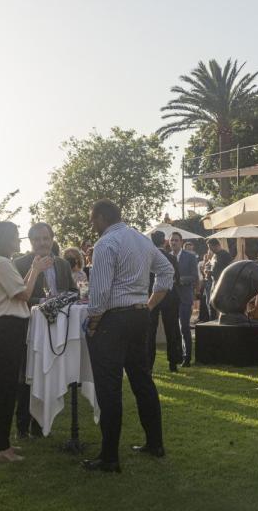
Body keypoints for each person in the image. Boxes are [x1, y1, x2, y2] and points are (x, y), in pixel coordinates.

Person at [82, 199, 173, 473]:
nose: (91, 225)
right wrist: (149, 304)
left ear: (100, 217)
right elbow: (166, 271)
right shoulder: (142, 240)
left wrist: (94, 323)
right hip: (138, 316)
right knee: (142, 380)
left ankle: (109, 457)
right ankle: (155, 443)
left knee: (109, 388)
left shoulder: (106, 244)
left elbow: (98, 293)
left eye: (92, 219)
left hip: (114, 319)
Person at [0, 221, 45, 463]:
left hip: (6, 328)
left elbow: (20, 288)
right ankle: (1, 446)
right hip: (7, 328)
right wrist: (37, 271)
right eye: (15, 236)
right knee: (5, 387)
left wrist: (33, 268)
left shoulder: (0, 263)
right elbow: (24, 295)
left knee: (1, 385)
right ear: (5, 239)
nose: (18, 241)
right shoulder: (0, 262)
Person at [13, 222, 77, 440]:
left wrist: (63, 300)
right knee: (26, 375)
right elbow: (18, 296)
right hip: (28, 328)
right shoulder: (20, 263)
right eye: (37, 239)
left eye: (46, 238)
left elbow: (72, 291)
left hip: (56, 329)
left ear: (52, 239)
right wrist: (44, 301)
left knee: (48, 373)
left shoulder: (62, 265)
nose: (42, 243)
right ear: (30, 242)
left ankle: (40, 424)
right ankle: (22, 425)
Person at [150, 231, 182, 372]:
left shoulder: (148, 257)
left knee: (150, 331)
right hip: (169, 295)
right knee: (171, 329)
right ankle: (173, 363)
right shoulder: (171, 258)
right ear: (164, 241)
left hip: (152, 295)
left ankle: (149, 362)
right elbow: (177, 279)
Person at [170, 232, 199, 366]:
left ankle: (187, 357)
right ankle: (177, 356)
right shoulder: (167, 257)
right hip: (170, 298)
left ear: (181, 242)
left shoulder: (190, 257)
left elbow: (194, 276)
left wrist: (181, 280)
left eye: (176, 240)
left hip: (184, 297)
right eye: (172, 240)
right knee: (173, 328)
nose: (174, 243)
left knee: (184, 327)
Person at [197, 249, 213, 324]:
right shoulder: (206, 262)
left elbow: (207, 274)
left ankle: (211, 319)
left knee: (209, 302)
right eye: (208, 251)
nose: (208, 253)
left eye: (210, 252)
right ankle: (208, 319)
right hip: (206, 284)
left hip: (210, 284)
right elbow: (203, 274)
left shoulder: (213, 262)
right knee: (207, 302)